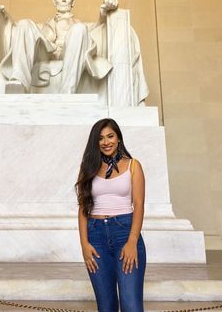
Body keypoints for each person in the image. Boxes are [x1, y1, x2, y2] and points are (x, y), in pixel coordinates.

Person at [0, 0, 149, 103]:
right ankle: (19, 82)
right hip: (47, 50)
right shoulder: (42, 26)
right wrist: (0, 12)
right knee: (24, 23)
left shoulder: (80, 26)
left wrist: (104, 13)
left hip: (72, 51)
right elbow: (15, 30)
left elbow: (96, 31)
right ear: (54, 0)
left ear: (72, 1)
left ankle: (68, 92)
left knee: (80, 29)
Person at [75, 118, 146, 312]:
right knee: (106, 307)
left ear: (119, 138)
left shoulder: (133, 166)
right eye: (100, 138)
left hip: (125, 233)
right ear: (95, 142)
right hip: (95, 238)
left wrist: (132, 241)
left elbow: (139, 205)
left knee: (131, 306)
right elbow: (83, 208)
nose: (106, 142)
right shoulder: (88, 168)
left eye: (110, 136)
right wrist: (84, 244)